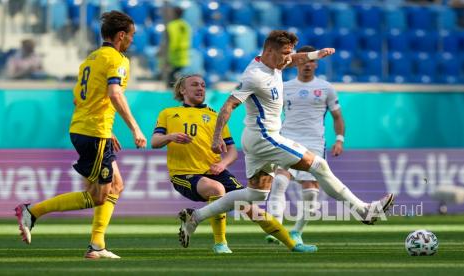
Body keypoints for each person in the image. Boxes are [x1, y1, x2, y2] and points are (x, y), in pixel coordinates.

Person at [177, 30, 394, 253]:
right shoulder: (254, 75)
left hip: (258, 138)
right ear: (269, 51)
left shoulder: (275, 63)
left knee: (256, 194)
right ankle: (363, 211)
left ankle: (195, 217)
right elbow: (228, 105)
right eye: (284, 53)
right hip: (264, 137)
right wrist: (216, 138)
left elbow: (295, 59)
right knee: (319, 165)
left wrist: (317, 54)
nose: (287, 57)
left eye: (289, 52)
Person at [14, 11, 147, 259]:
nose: (132, 40)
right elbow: (115, 94)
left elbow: (80, 99)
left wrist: (108, 131)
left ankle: (97, 245)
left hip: (89, 128)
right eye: (131, 35)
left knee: (116, 185)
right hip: (93, 132)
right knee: (99, 196)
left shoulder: (91, 59)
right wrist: (135, 128)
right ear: (121, 36)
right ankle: (32, 211)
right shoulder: (117, 59)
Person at [151, 74, 242, 254]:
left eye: (203, 85)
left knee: (250, 206)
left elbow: (232, 151)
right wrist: (170, 137)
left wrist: (223, 164)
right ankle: (220, 244)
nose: (200, 88)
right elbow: (154, 142)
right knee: (217, 190)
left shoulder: (216, 116)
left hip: (215, 170)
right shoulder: (168, 113)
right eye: (194, 85)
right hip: (185, 174)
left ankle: (292, 242)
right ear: (182, 90)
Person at [265, 45, 346, 245]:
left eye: (311, 62)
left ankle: (297, 232)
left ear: (316, 64)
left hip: (314, 142)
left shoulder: (326, 88)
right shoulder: (285, 86)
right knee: (279, 181)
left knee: (310, 190)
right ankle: (276, 227)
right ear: (296, 63)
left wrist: (339, 139)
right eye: (303, 61)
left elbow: (337, 116)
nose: (307, 65)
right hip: (288, 138)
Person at [160, 6, 191, 87]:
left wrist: (163, 52)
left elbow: (168, 41)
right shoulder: (185, 25)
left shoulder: (171, 26)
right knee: (177, 74)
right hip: (183, 55)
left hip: (172, 55)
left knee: (171, 77)